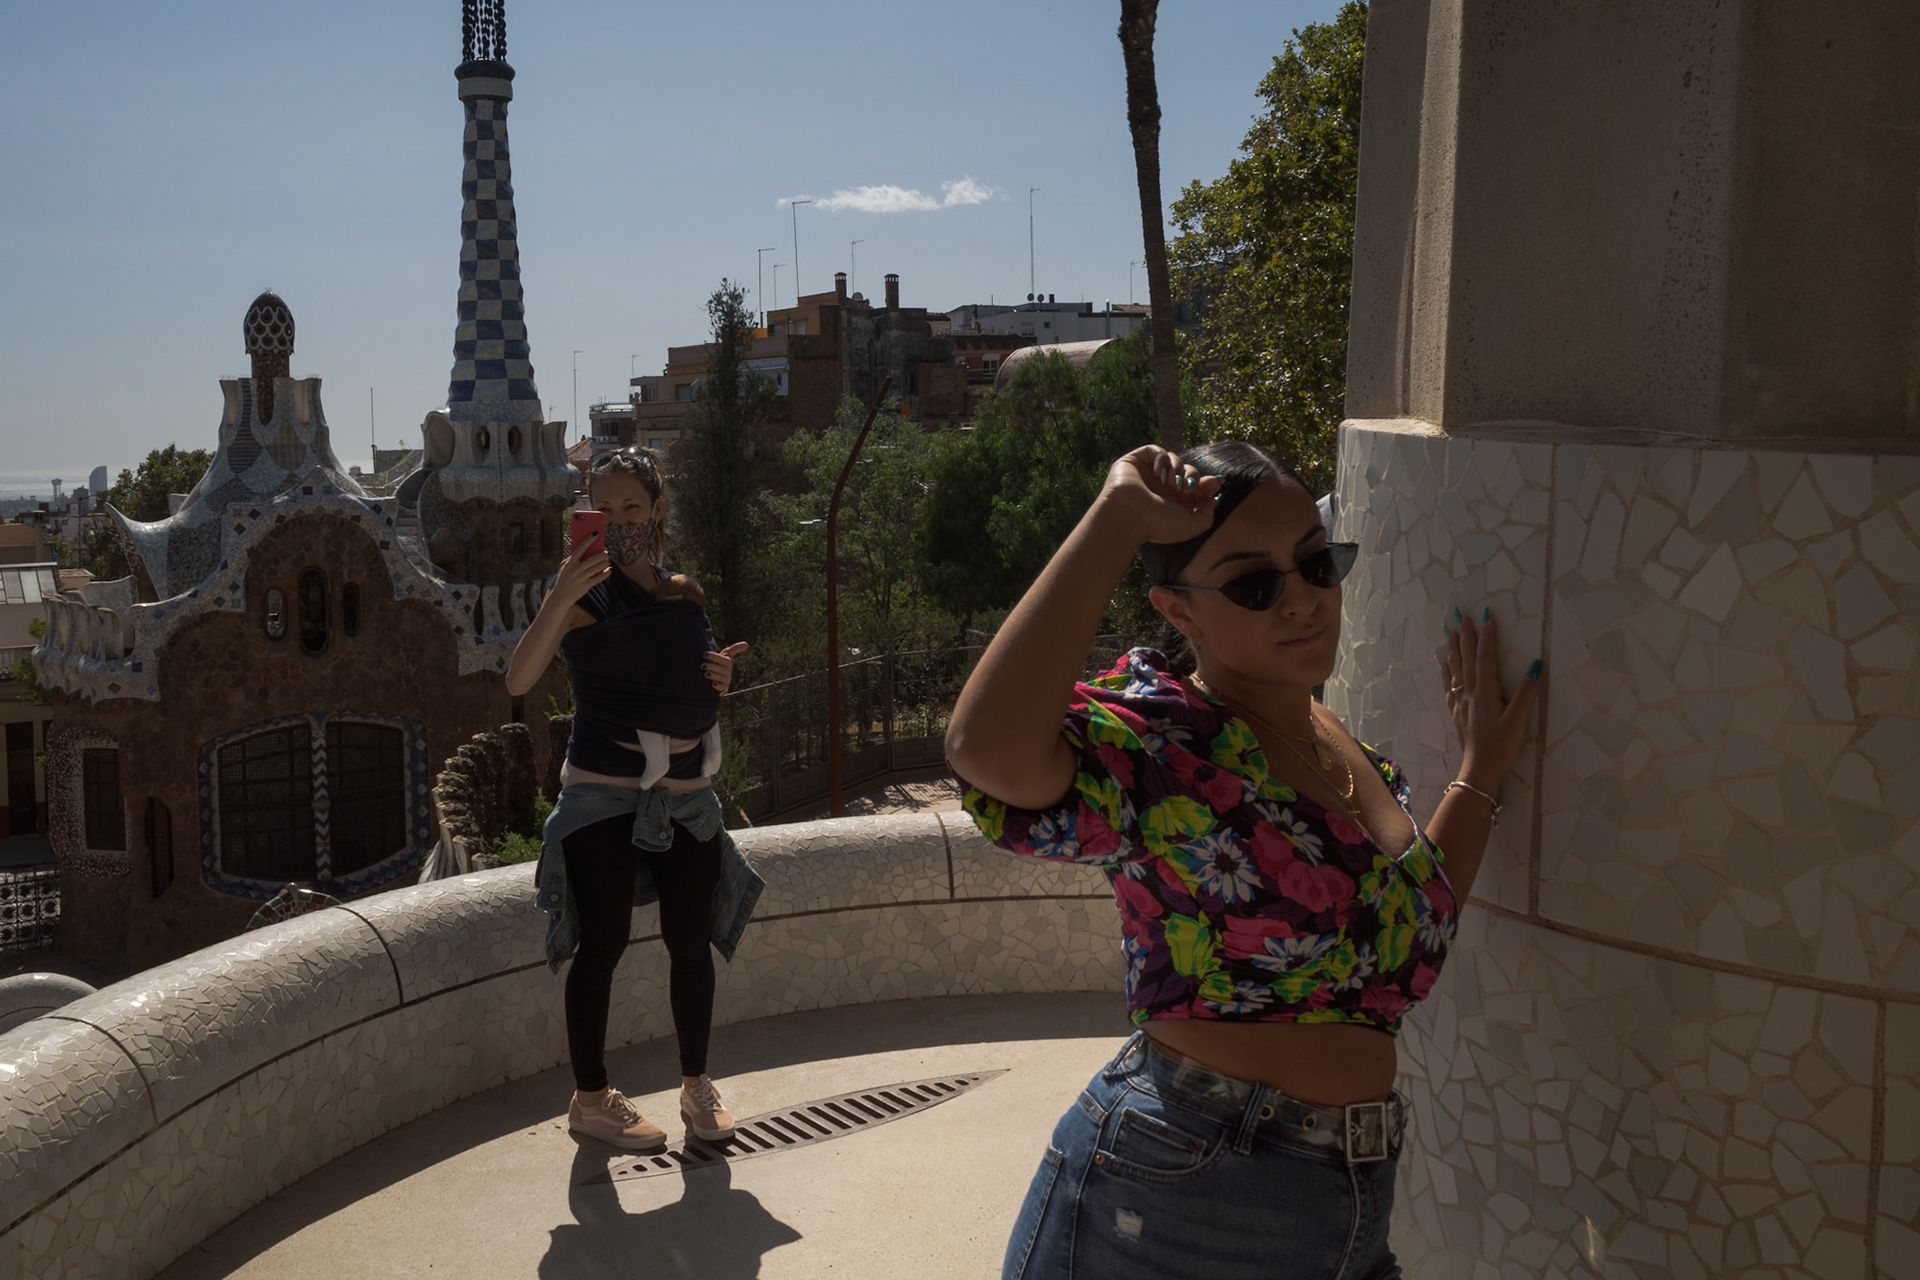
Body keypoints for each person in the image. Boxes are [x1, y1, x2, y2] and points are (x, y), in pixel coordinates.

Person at [946, 441, 1541, 1279]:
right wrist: (1116, 516)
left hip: (1350, 1202)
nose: (1300, 601)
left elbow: (1417, 924)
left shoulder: (1342, 748)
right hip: (1177, 1198)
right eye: (1253, 585)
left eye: (1313, 565)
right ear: (1179, 612)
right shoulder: (1165, 743)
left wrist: (1479, 771)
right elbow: (986, 749)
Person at [507, 445, 761, 1154]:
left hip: (686, 797)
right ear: (584, 514)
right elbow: (519, 679)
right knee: (604, 943)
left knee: (690, 943)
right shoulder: (583, 596)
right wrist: (559, 594)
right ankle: (590, 1100)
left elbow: (695, 675)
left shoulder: (685, 593)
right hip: (604, 797)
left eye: (632, 508)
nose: (618, 522)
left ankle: (695, 1084)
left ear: (656, 511)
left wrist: (719, 674)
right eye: (603, 508)